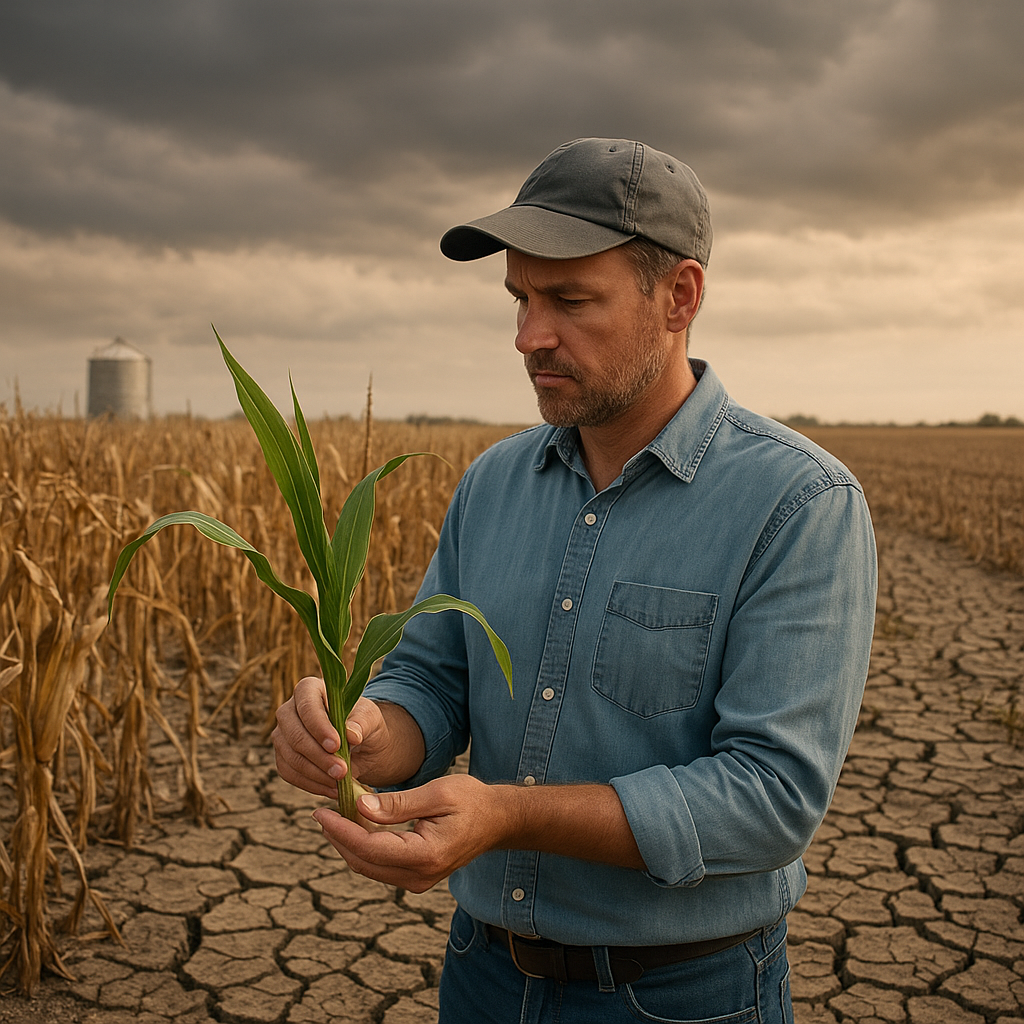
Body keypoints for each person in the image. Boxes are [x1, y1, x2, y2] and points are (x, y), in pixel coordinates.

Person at [273, 138, 877, 1023]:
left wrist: (509, 816)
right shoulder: (494, 482)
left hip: (683, 995)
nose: (529, 337)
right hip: (483, 977)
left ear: (680, 297)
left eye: (569, 299)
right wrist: (365, 732)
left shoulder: (798, 503)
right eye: (519, 299)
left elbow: (771, 797)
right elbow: (434, 683)